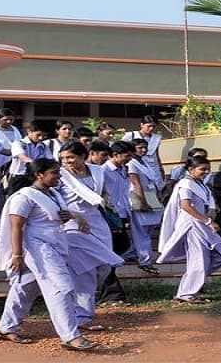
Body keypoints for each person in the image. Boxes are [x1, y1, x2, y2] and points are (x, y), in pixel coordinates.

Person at [0, 158, 99, 351]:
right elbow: (16, 226)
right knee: (62, 287)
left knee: (26, 287)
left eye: (58, 173)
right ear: (39, 174)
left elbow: (58, 214)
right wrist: (17, 255)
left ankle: (5, 327)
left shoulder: (53, 194)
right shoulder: (24, 196)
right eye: (54, 173)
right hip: (38, 247)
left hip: (56, 243)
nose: (58, 177)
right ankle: (70, 336)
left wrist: (71, 216)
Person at [57, 141, 125, 329]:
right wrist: (73, 216)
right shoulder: (60, 175)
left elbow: (103, 193)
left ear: (82, 156)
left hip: (96, 222)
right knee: (83, 271)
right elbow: (54, 198)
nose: (67, 161)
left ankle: (80, 311)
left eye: (71, 157)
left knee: (104, 266)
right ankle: (81, 317)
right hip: (72, 224)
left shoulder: (97, 171)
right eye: (63, 158)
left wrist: (111, 208)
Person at [158, 155, 221, 303]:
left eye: (208, 169)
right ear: (191, 169)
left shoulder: (201, 184)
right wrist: (208, 220)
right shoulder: (185, 184)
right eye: (202, 169)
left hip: (202, 225)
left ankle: (190, 286)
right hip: (192, 225)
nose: (206, 172)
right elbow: (185, 206)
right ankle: (186, 294)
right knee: (199, 261)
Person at [98, 141, 135, 306]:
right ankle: (111, 293)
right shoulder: (102, 171)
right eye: (127, 156)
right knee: (110, 254)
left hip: (121, 215)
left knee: (121, 247)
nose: (129, 159)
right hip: (108, 216)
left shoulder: (123, 170)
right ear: (116, 155)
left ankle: (107, 288)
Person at [125, 138, 164, 274]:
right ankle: (145, 260)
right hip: (139, 196)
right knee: (141, 230)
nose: (143, 150)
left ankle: (131, 254)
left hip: (151, 195)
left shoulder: (145, 162)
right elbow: (136, 183)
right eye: (140, 148)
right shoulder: (131, 163)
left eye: (145, 148)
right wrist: (142, 201)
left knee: (147, 229)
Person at [7, 120, 52, 195]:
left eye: (44, 136)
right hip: (19, 178)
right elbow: (23, 157)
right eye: (38, 135)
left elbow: (49, 160)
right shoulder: (18, 143)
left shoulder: (43, 146)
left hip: (36, 178)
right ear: (29, 131)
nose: (41, 138)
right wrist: (39, 164)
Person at [121, 115, 165, 189]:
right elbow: (120, 148)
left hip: (152, 166)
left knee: (156, 188)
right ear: (142, 125)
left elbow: (156, 154)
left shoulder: (156, 138)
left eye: (154, 127)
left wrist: (161, 168)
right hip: (135, 164)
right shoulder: (131, 135)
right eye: (149, 126)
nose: (151, 128)